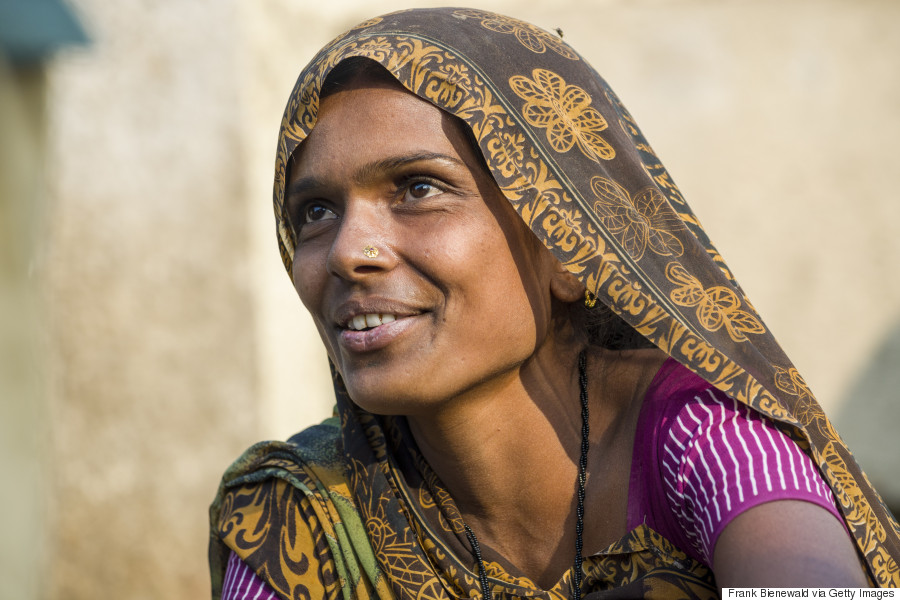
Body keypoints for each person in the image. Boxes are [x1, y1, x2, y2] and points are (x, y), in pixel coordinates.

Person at [208, 8, 899, 598]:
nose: (348, 251)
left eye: (418, 188)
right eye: (316, 211)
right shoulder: (299, 517)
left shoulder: (706, 437)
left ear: (570, 247)